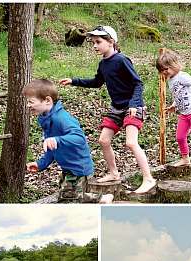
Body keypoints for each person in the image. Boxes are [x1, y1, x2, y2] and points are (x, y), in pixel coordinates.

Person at [59, 25, 156, 194]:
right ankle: (114, 173)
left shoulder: (122, 60)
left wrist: (134, 104)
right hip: (117, 108)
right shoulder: (103, 63)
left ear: (111, 42)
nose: (94, 46)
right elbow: (97, 83)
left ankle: (148, 179)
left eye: (98, 42)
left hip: (133, 107)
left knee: (131, 142)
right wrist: (74, 81)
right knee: (104, 140)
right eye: (93, 42)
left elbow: (138, 83)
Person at [23, 79, 113, 203]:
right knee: (66, 197)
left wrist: (57, 139)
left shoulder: (61, 118)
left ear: (47, 100)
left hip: (78, 167)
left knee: (70, 198)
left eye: (31, 102)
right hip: (68, 167)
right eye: (27, 102)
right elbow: (51, 146)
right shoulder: (45, 118)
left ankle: (102, 199)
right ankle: (100, 200)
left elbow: (79, 138)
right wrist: (41, 164)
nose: (28, 105)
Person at [155, 49, 191, 171]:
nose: (164, 72)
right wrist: (174, 106)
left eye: (166, 69)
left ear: (174, 65)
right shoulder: (171, 80)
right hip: (184, 113)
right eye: (162, 71)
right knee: (180, 137)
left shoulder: (182, 76)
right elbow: (179, 94)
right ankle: (185, 158)